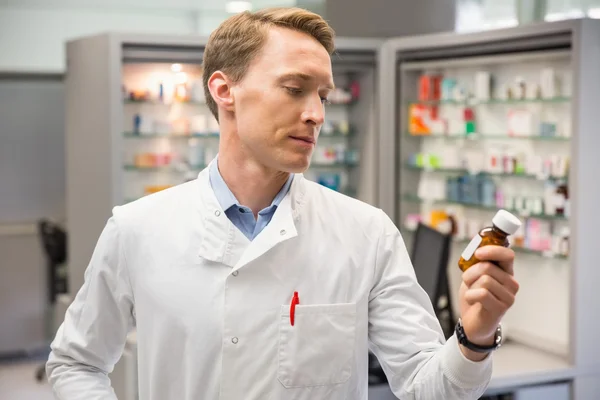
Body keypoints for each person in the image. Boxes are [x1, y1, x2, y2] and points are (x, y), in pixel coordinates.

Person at [47, 7, 519, 400]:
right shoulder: (137, 228)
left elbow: (426, 388)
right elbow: (76, 362)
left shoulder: (366, 233)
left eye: (324, 96)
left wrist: (473, 336)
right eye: (295, 89)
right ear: (224, 90)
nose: (316, 114)